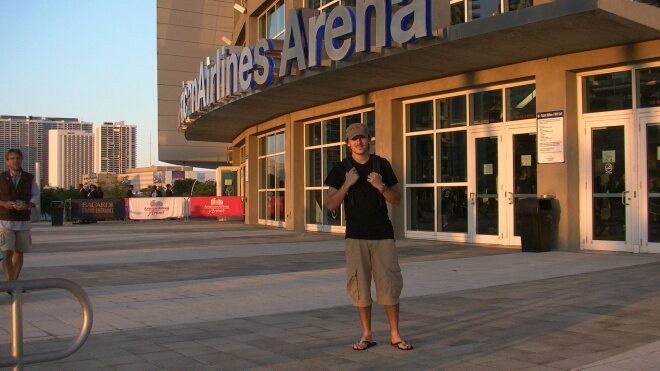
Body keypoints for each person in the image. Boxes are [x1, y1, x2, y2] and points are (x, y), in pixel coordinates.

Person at [324, 123, 413, 351]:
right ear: (347, 143)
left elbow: (396, 199)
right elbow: (331, 204)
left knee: (389, 286)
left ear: (369, 139)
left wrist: (381, 186)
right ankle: (367, 334)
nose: (359, 142)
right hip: (355, 237)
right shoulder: (340, 169)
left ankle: (395, 334)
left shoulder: (381, 164)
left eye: (362, 138)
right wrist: (347, 183)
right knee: (359, 287)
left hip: (383, 235)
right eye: (354, 139)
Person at [0, 148, 39, 282]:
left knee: (19, 253)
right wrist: (3, 204)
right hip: (5, 221)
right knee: (6, 253)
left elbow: (35, 195)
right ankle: (11, 283)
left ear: (21, 160)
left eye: (18, 158)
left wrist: (28, 205)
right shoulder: (1, 177)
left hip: (23, 221)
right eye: (12, 158)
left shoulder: (29, 178)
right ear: (7, 162)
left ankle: (13, 283)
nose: (15, 161)